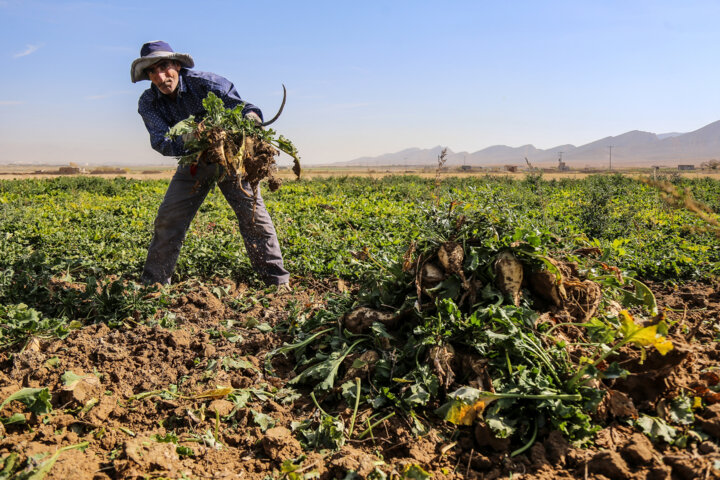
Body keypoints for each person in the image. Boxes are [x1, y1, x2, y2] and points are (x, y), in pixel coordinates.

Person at [130, 40, 290, 288]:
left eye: (164, 67)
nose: (161, 77)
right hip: (193, 162)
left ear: (176, 65)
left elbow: (245, 108)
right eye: (153, 72)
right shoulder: (149, 102)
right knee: (168, 219)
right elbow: (161, 142)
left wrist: (251, 120)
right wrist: (199, 137)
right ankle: (155, 285)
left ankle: (276, 282)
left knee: (253, 218)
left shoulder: (206, 84)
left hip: (230, 160)